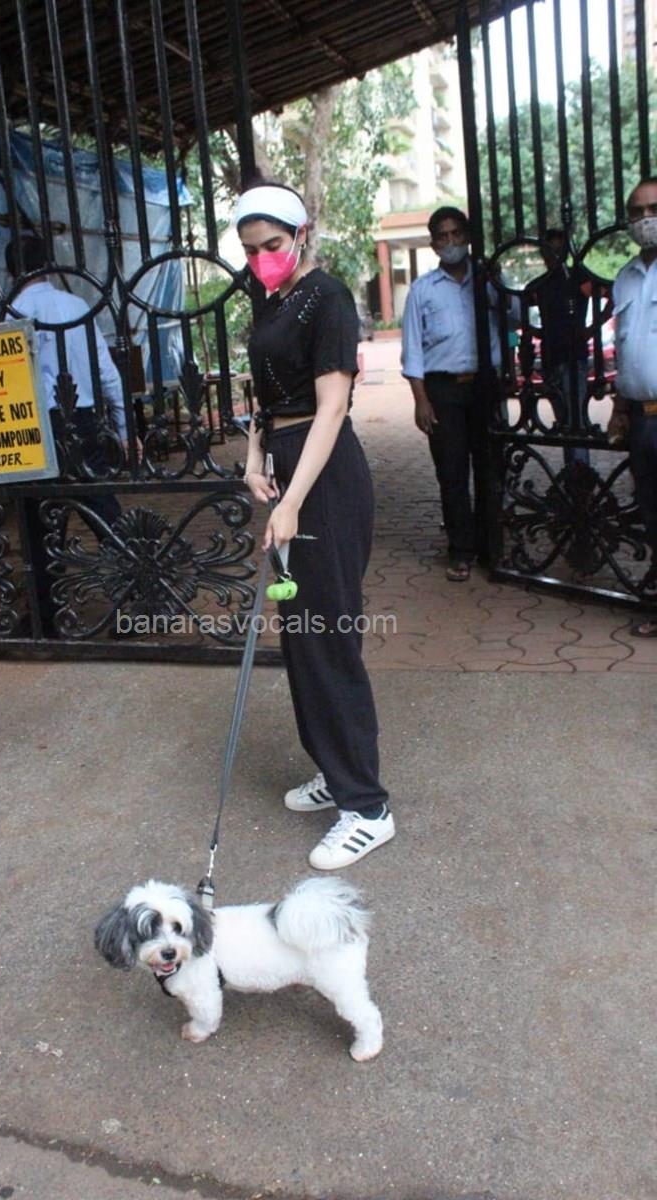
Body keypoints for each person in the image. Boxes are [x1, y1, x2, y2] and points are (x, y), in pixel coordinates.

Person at [238, 181, 395, 871]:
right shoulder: (271, 301)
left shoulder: (327, 297)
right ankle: (335, 770)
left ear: (301, 235)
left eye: (272, 245)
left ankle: (368, 807)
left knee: (329, 636)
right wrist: (253, 460)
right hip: (287, 461)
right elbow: (264, 396)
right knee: (303, 637)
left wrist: (294, 500)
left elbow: (332, 407)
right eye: (250, 250)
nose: (261, 259)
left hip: (323, 475)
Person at [401, 206, 508, 582]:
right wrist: (421, 399)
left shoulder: (489, 281)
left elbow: (515, 316)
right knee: (452, 471)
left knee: (490, 467)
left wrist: (499, 285)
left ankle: (491, 548)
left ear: (467, 236)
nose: (451, 242)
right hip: (443, 390)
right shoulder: (422, 290)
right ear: (433, 244)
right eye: (442, 237)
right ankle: (461, 551)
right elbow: (412, 348)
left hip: (484, 386)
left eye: (456, 234)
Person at [4, 235, 130, 531]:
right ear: (48, 264)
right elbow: (106, 370)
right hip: (83, 418)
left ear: (10, 272)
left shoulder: (13, 314)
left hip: (38, 426)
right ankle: (128, 554)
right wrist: (125, 427)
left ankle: (49, 564)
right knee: (102, 508)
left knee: (43, 518)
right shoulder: (77, 305)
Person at [609, 177, 657, 638]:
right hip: (642, 418)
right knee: (651, 512)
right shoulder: (625, 278)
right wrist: (621, 407)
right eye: (637, 211)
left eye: (654, 209)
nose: (646, 219)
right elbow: (625, 350)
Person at [531, 228, 591, 468]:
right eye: (549, 250)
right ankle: (573, 474)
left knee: (576, 421)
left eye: (558, 250)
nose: (554, 255)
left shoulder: (576, 276)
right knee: (565, 422)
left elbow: (608, 295)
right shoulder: (542, 283)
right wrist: (536, 332)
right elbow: (518, 303)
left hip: (573, 357)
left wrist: (591, 329)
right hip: (551, 358)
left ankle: (580, 474)